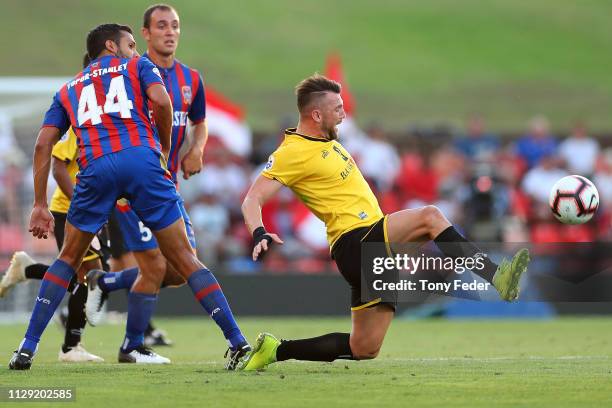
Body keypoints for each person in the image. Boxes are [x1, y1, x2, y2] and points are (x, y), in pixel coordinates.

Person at [238, 74, 530, 370]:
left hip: (370, 250)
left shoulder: (329, 141)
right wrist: (258, 231)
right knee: (430, 217)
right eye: (337, 108)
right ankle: (496, 276)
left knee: (364, 347)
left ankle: (275, 350)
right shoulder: (292, 152)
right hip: (356, 241)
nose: (343, 113)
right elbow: (252, 199)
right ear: (316, 114)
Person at [9, 23, 249, 370]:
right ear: (111, 46)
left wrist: (39, 204)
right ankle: (237, 342)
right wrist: (163, 149)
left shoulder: (68, 89)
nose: (136, 51)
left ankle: (27, 349)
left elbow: (43, 143)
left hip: (95, 171)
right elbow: (162, 101)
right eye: (131, 44)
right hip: (142, 161)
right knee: (184, 259)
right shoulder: (137, 66)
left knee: (67, 260)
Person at [84, 3, 212, 363]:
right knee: (157, 265)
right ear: (145, 34)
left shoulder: (192, 79)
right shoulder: (129, 75)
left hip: (168, 185)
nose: (169, 32)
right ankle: (132, 346)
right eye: (161, 26)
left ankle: (106, 281)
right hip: (134, 186)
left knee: (179, 271)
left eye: (174, 25)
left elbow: (199, 122)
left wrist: (197, 148)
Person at [1, 77, 106, 362]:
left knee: (86, 277)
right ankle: (71, 346)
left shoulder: (108, 120)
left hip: (93, 207)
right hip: (70, 209)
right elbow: (58, 163)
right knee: (91, 277)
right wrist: (80, 203)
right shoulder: (83, 121)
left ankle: (29, 270)